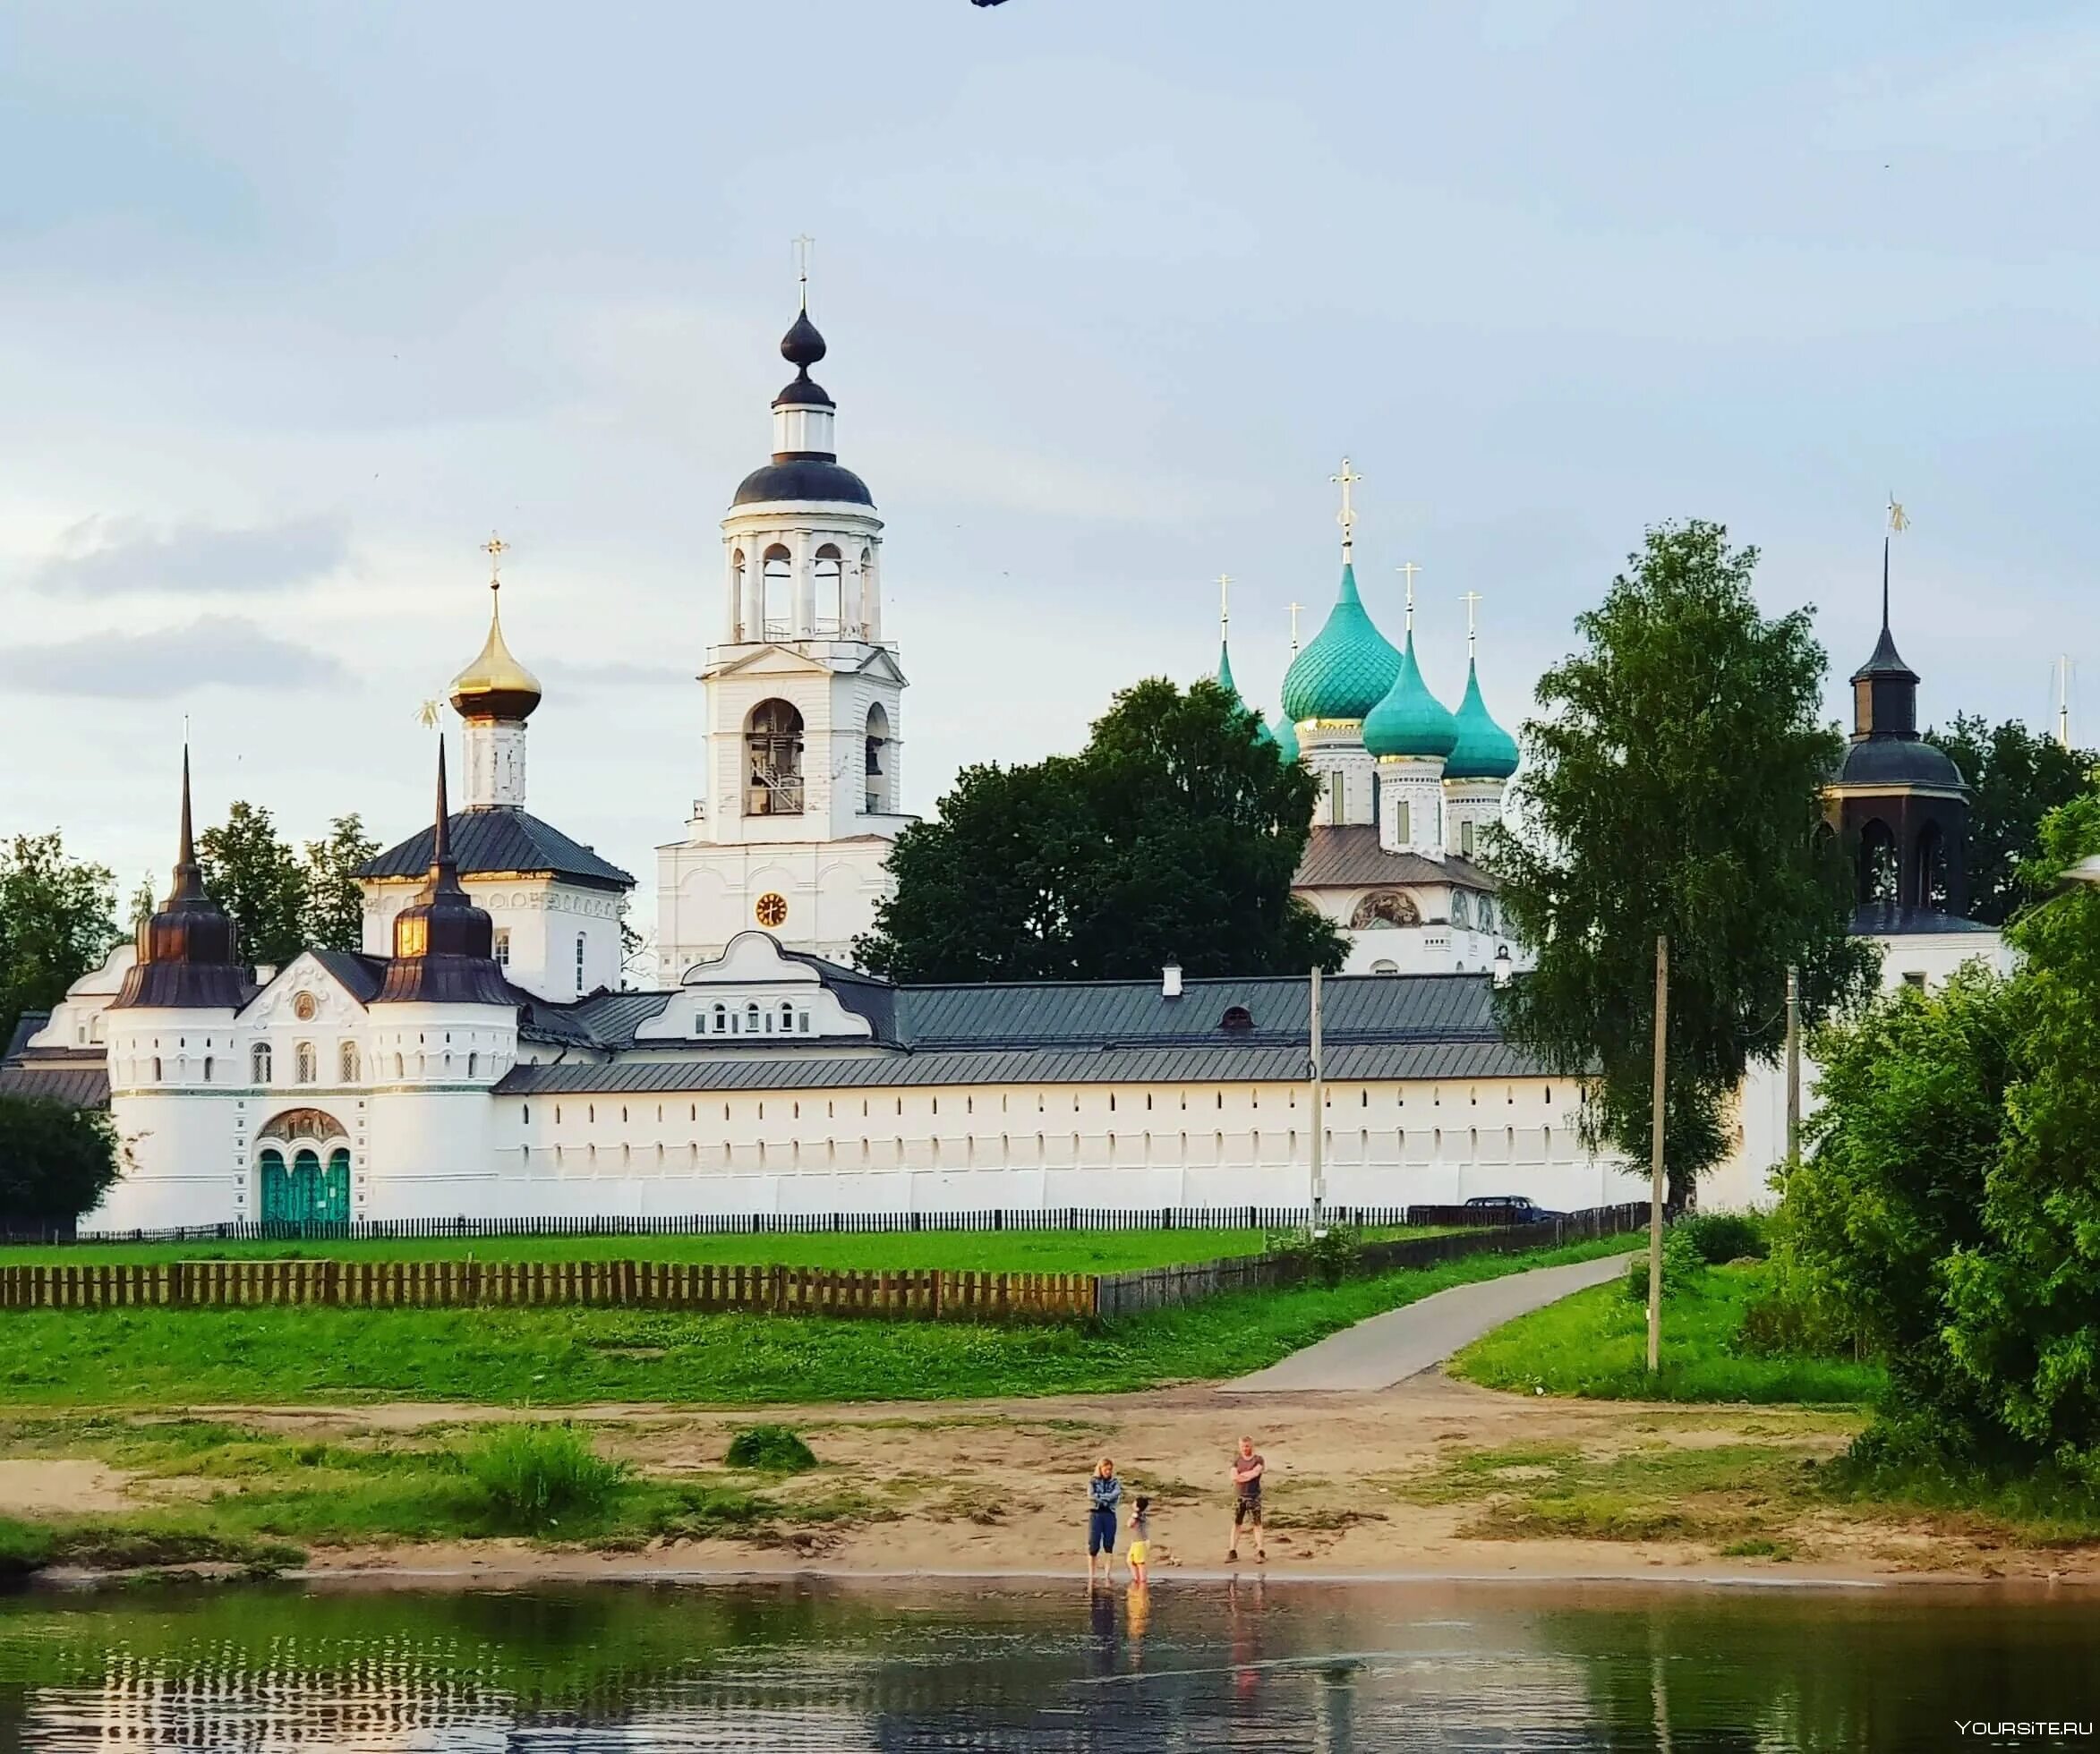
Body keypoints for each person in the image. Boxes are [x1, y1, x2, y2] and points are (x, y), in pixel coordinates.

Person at [1227, 1435, 1265, 1563]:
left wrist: (1242, 1476)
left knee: (1257, 1524)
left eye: (1247, 1446)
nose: (1244, 1449)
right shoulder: (1237, 1460)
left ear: (1251, 1446)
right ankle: (1232, 1551)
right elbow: (1233, 1476)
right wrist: (1242, 1476)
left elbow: (1255, 1473)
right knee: (1237, 1523)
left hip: (1253, 1496)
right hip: (1239, 1496)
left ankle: (1260, 1550)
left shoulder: (1258, 1459)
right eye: (1242, 1446)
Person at [1087, 1456, 1122, 1584]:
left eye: (1110, 1470)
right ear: (1100, 1469)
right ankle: (1092, 1574)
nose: (1108, 1472)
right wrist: (1104, 1498)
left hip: (1109, 1514)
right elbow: (1091, 1496)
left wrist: (1100, 1497)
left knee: (1108, 1544)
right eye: (1106, 1470)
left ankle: (1107, 1574)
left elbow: (1116, 1494)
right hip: (1096, 1514)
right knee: (1093, 1544)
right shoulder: (1093, 1481)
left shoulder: (1115, 1482)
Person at [1126, 1494, 1151, 1587]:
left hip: (1140, 1542)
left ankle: (1142, 1581)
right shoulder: (1142, 1515)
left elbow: (1129, 1524)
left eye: (1134, 1503)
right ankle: (1137, 1578)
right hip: (1137, 1542)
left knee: (1140, 1563)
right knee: (1130, 1560)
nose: (1132, 1504)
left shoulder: (1137, 1515)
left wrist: (1133, 1516)